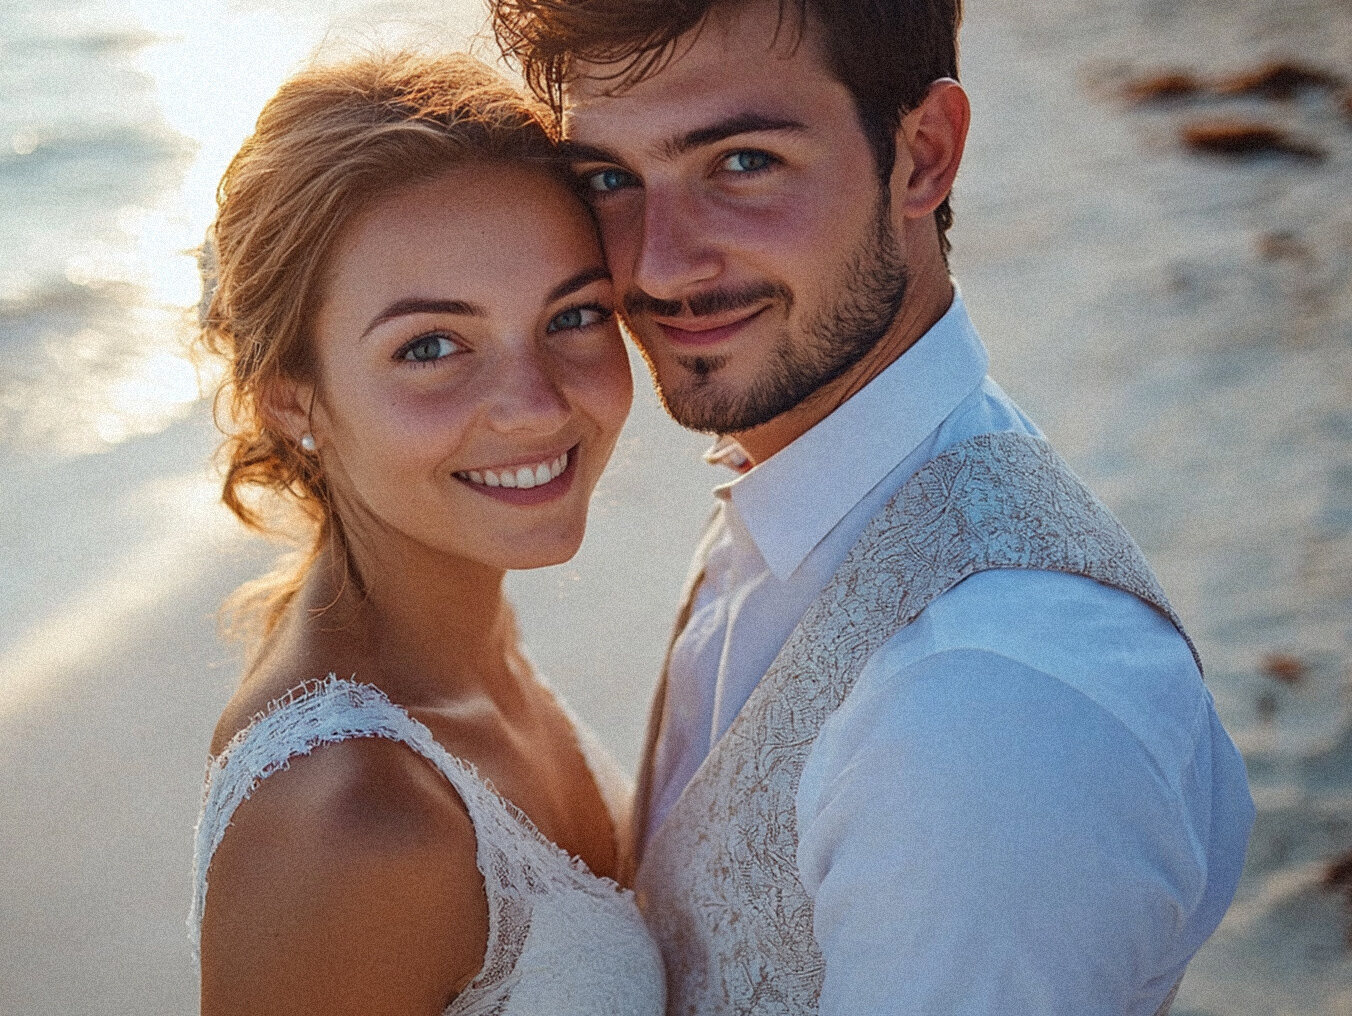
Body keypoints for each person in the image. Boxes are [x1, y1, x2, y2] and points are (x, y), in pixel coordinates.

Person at [489, 0, 1255, 1013]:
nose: (658, 263)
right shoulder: (800, 484)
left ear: (922, 156)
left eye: (742, 162)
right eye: (609, 179)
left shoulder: (984, 713)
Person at [187, 53, 664, 1015]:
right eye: (432, 346)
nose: (534, 409)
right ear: (294, 399)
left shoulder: (461, 639)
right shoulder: (354, 821)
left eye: (573, 314)